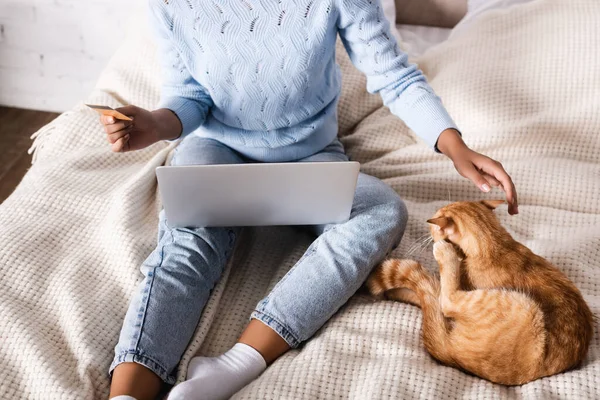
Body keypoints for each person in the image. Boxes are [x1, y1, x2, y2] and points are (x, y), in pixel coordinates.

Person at [103, 0, 518, 399]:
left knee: (381, 212)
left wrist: (454, 147)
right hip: (215, 148)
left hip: (310, 153)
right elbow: (189, 96)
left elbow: (394, 74)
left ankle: (237, 363)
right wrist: (156, 125)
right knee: (186, 242)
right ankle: (127, 392)